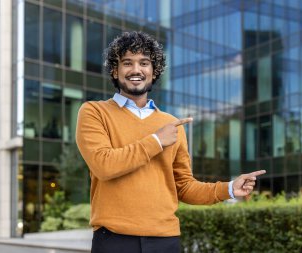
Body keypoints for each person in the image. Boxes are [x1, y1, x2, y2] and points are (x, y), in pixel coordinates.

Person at [76, 31, 266, 253]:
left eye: (144, 63)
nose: (136, 70)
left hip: (165, 241)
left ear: (154, 71)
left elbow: (184, 187)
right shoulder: (94, 112)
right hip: (114, 241)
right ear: (114, 70)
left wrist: (229, 189)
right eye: (127, 63)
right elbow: (104, 165)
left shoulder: (171, 124)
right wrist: (156, 140)